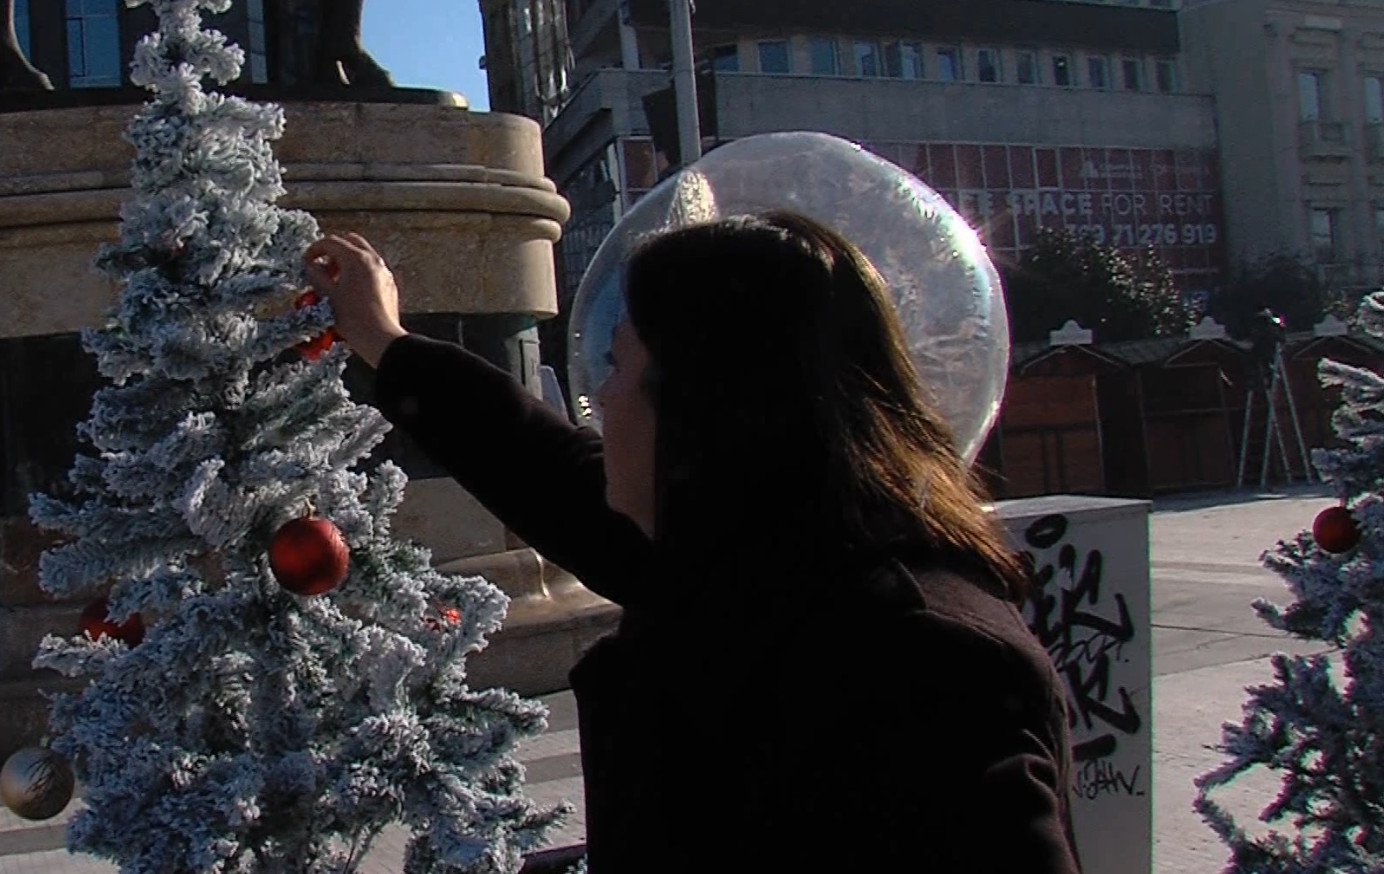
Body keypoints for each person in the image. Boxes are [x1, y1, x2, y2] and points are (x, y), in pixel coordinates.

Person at [305, 212, 1082, 873]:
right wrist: (385, 339)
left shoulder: (919, 663)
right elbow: (542, 466)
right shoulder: (745, 561)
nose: (600, 398)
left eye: (620, 365)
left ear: (705, 402)